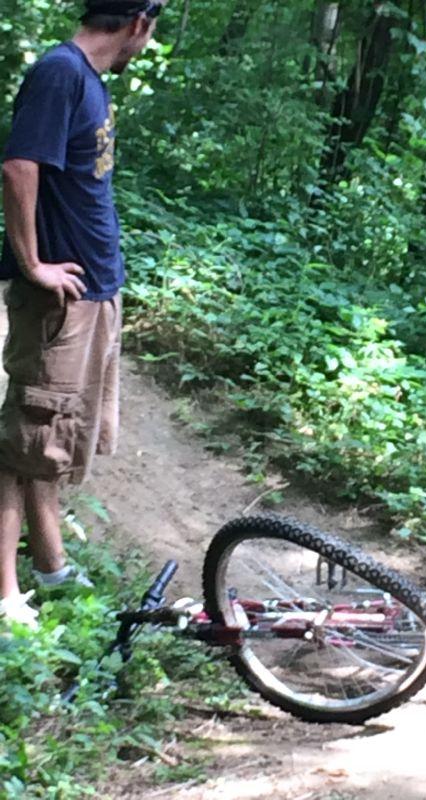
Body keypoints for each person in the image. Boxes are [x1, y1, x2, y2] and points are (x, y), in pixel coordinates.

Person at [0, 0, 165, 628]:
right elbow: (18, 167)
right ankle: (7, 596)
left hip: (92, 293)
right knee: (23, 439)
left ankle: (52, 568)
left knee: (51, 439)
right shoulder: (60, 73)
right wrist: (33, 262)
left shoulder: (85, 81)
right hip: (59, 300)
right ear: (138, 24)